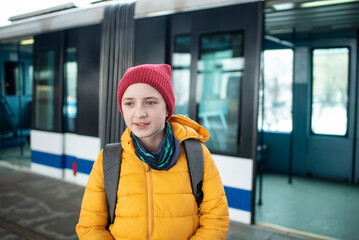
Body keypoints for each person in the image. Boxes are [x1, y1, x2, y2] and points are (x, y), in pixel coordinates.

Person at [76, 64, 229, 239]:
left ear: (167, 109)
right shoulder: (108, 159)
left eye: (150, 102)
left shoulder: (196, 154)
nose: (139, 113)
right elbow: (90, 226)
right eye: (129, 103)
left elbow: (216, 219)